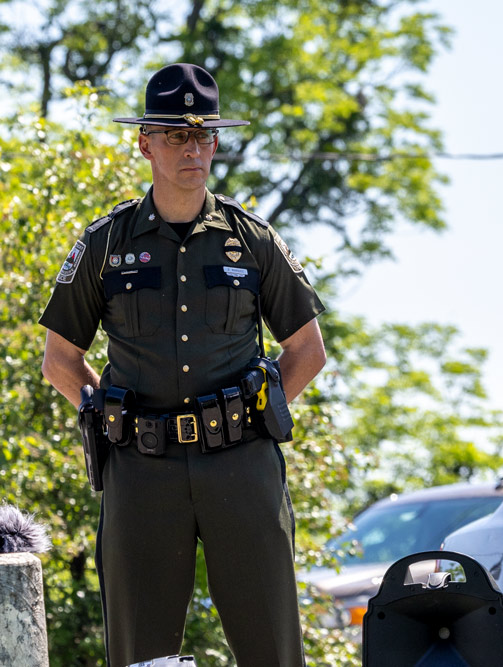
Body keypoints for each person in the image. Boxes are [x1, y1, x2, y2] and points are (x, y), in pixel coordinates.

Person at [39, 63, 327, 666]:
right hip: (142, 470)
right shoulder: (105, 244)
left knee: (272, 648)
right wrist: (105, 415)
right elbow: (61, 360)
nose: (191, 148)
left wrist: (255, 413)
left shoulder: (252, 240)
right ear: (144, 141)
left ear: (216, 142)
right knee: (141, 655)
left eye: (203, 136)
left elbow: (307, 350)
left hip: (242, 465)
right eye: (175, 135)